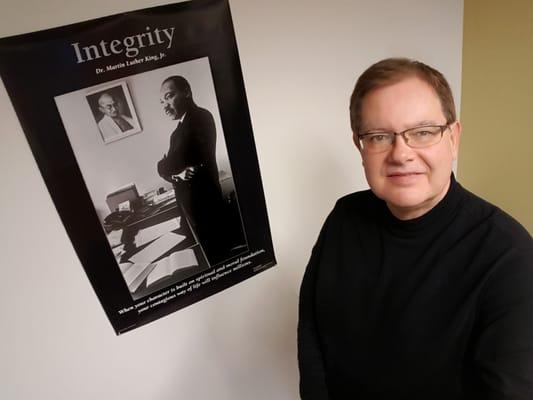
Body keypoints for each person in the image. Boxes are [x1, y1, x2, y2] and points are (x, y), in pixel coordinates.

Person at [298, 58, 533, 399]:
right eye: (379, 136)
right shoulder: (344, 218)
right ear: (360, 147)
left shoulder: (511, 259)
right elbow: (313, 331)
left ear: (453, 138)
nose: (401, 154)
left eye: (422, 133)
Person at [157, 75, 229, 265]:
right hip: (189, 205)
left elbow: (166, 164)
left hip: (203, 206)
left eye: (169, 96)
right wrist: (174, 172)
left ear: (187, 92)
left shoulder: (200, 118)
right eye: (162, 101)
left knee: (213, 259)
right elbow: (165, 167)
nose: (164, 106)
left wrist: (168, 168)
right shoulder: (177, 131)